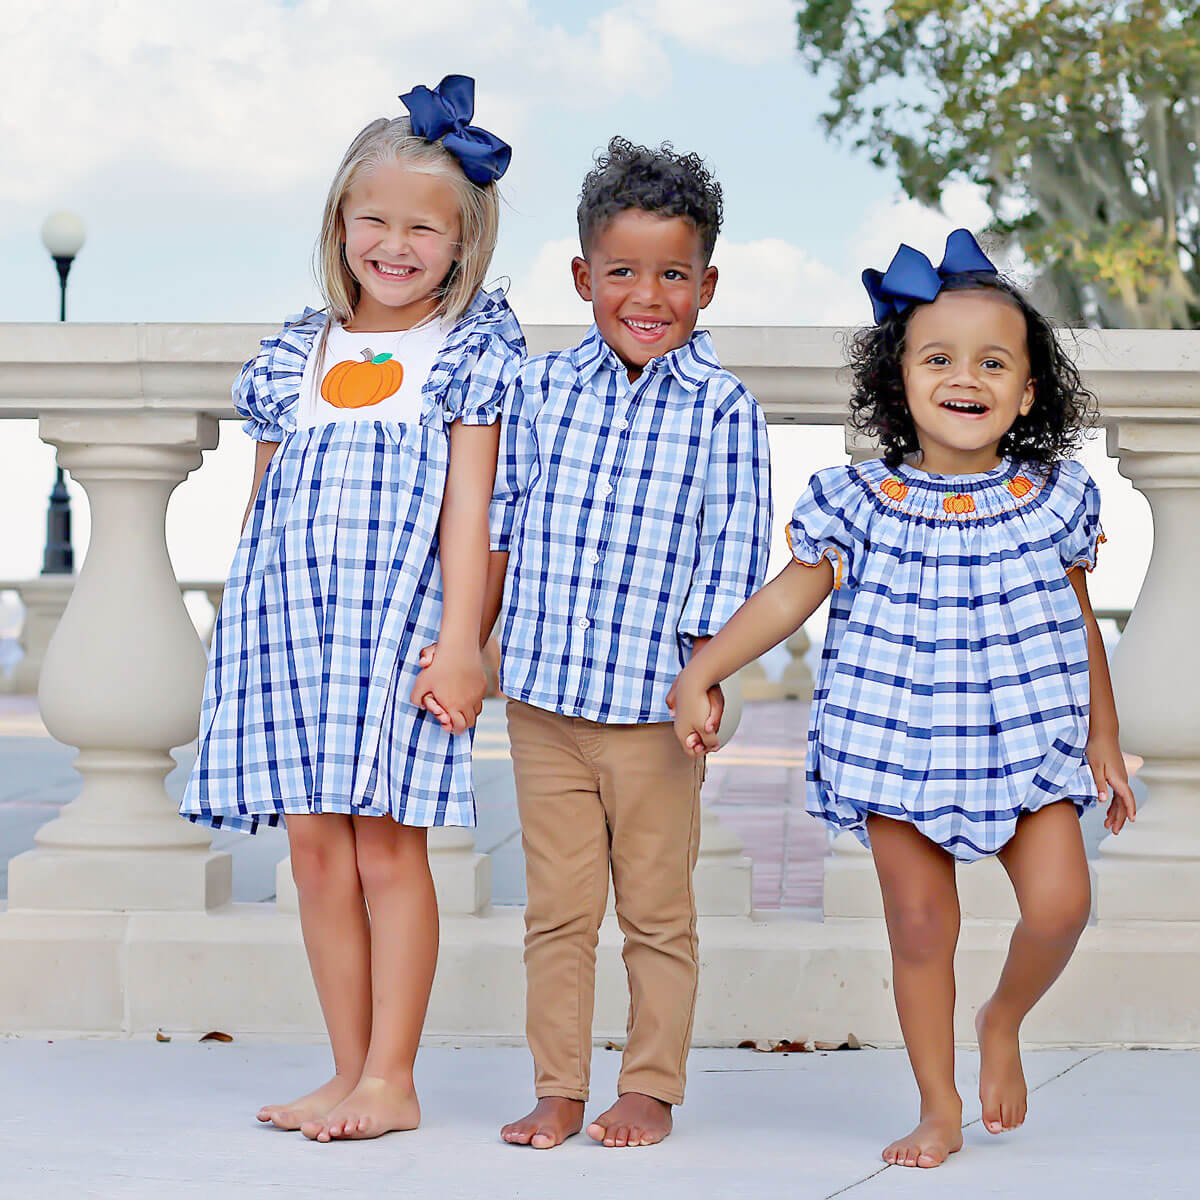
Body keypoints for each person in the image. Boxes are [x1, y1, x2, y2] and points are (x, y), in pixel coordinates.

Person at [670, 230, 1136, 1169]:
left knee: (1060, 905)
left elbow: (1083, 624)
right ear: (902, 379)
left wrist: (1105, 743)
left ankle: (1001, 1019)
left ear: (1027, 391)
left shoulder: (1054, 499)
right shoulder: (859, 499)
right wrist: (702, 671)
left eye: (993, 362)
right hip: (896, 737)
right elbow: (788, 595)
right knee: (921, 929)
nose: (966, 378)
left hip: (1028, 737)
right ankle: (937, 1103)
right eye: (939, 358)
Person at [179, 75, 524, 1142]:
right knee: (316, 852)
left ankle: (394, 1077)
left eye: (426, 226)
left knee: (388, 850)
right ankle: (344, 1070)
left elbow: (475, 509)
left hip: (398, 631)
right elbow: (264, 499)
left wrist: (465, 642)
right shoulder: (298, 352)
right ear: (340, 223)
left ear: (463, 244)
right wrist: (242, 635)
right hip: (290, 629)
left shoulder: (467, 354)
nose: (397, 242)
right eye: (374, 218)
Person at [486, 137, 772, 1150]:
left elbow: (731, 561)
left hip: (654, 712)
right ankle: (558, 1084)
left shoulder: (723, 410)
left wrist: (707, 679)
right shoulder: (541, 391)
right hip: (542, 703)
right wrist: (471, 648)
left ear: (705, 284)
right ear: (583, 277)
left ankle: (648, 1084)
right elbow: (502, 527)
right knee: (556, 913)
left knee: (656, 912)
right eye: (622, 273)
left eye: (671, 275)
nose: (645, 296)